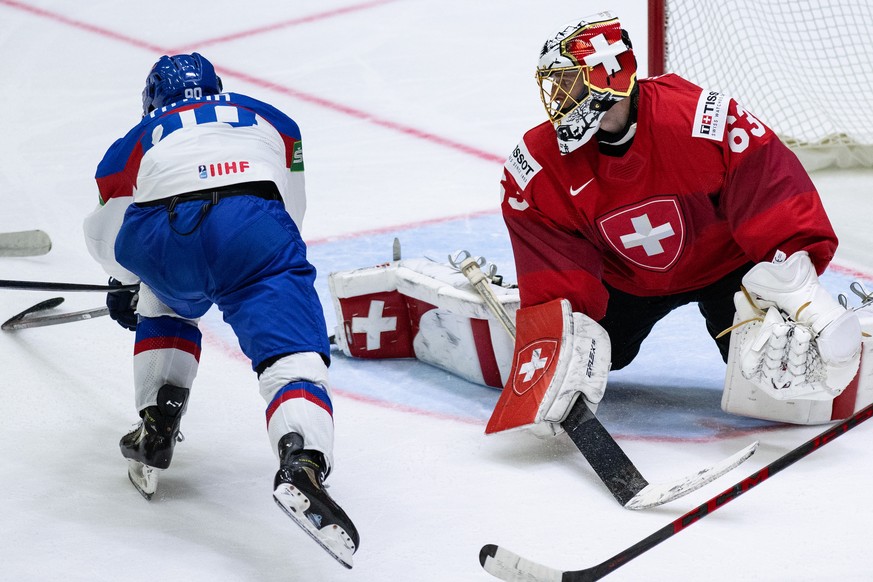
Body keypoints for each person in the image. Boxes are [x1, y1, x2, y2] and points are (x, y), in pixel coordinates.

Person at [486, 11, 863, 435]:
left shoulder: (698, 119)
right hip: (625, 280)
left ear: (606, 78)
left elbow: (768, 184)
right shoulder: (539, 164)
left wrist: (797, 286)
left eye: (568, 81)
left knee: (768, 377)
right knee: (599, 356)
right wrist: (559, 330)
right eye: (556, 84)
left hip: (729, 271)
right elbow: (542, 236)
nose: (558, 96)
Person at [83, 53, 359, 567]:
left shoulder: (134, 142)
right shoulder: (273, 120)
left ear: (152, 101)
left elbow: (103, 234)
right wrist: (255, 267)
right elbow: (289, 205)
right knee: (291, 356)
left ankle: (156, 421)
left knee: (164, 296)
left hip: (163, 234)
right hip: (253, 226)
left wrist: (127, 285)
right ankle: (302, 461)